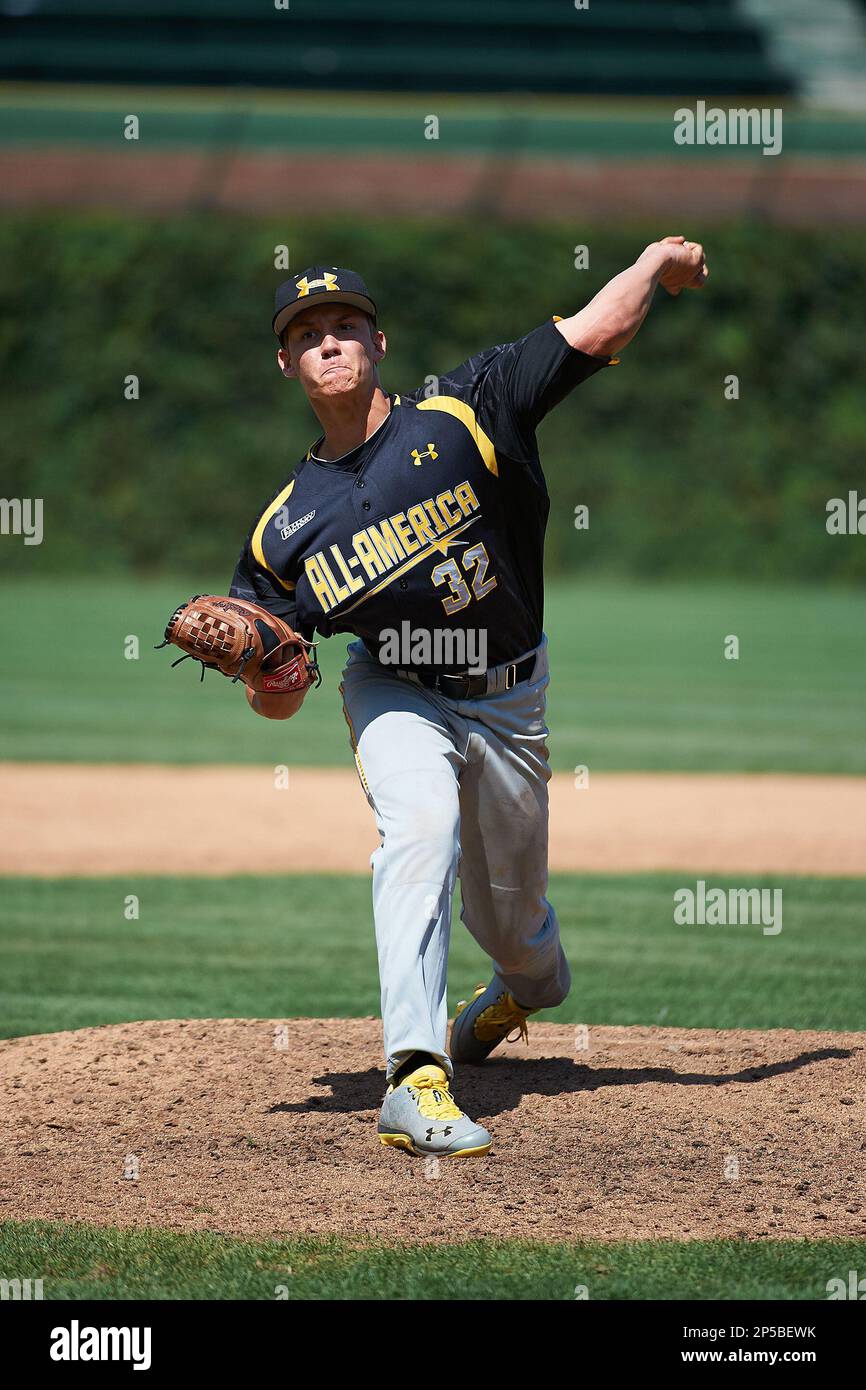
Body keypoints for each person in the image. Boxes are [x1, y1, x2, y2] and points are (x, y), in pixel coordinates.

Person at [229, 240, 708, 1156]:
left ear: (378, 341)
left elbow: (592, 333)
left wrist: (651, 266)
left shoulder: (467, 408)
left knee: (518, 935)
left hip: (509, 701)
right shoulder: (282, 532)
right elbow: (277, 698)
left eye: (344, 325)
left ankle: (519, 991)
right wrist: (267, 674)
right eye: (306, 334)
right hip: (396, 688)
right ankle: (415, 1077)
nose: (328, 342)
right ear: (285, 363)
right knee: (418, 830)